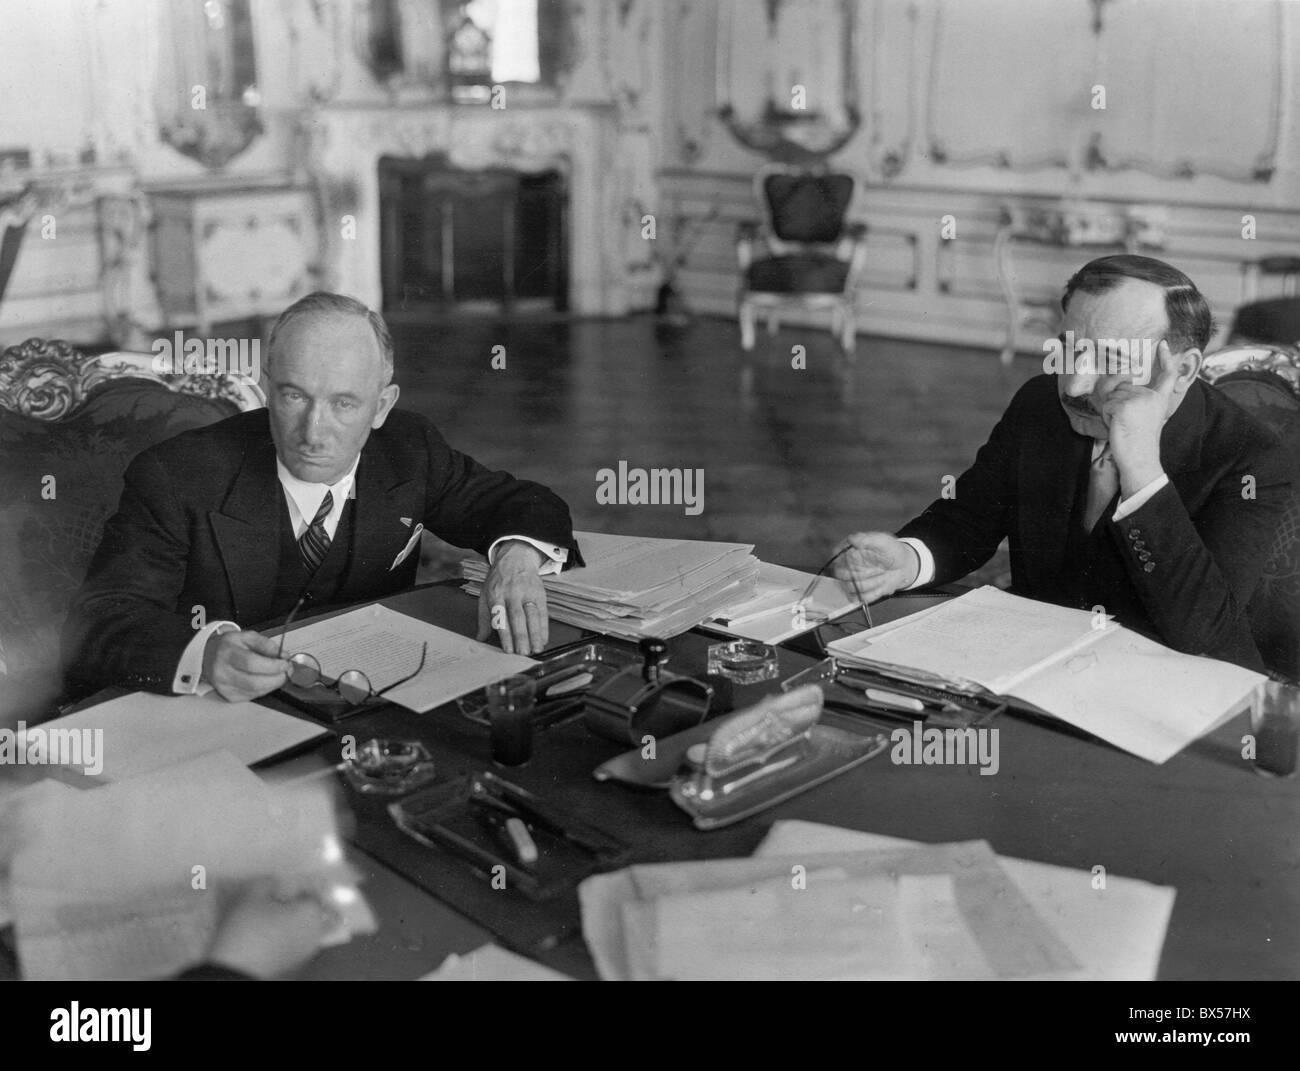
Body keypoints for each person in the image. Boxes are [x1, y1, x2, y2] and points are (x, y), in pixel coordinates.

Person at [63, 292, 581, 702]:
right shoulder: (176, 476)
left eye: (343, 404)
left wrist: (515, 558)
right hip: (226, 718)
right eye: (294, 396)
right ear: (268, 390)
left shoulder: (409, 448)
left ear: (381, 407)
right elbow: (98, 621)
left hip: (369, 700)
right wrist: (204, 653)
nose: (315, 431)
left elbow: (519, 504)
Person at [832, 254, 1292, 671]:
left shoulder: (1249, 457)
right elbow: (967, 521)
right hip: (1034, 664)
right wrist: (908, 560)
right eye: (1069, 348)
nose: (1073, 385)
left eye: (1110, 359)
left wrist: (1142, 473)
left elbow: (1201, 630)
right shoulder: (1039, 402)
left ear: (1184, 370)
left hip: (1174, 686)